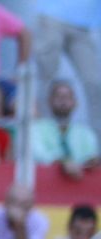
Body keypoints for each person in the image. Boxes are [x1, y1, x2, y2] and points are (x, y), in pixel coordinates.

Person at [31, 0, 100, 149]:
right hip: (51, 17)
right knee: (46, 79)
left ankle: (97, 147)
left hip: (84, 25)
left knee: (95, 84)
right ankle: (45, 142)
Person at [30, 79, 101, 179]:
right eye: (58, 96)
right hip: (47, 184)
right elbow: (38, 155)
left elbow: (90, 159)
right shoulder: (36, 129)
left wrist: (92, 162)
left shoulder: (86, 133)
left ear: (75, 102)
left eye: (68, 97)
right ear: (49, 101)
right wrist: (63, 162)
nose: (63, 100)